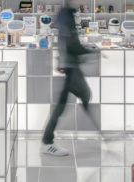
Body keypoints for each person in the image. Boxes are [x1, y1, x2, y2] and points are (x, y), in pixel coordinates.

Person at [40, 0, 99, 156]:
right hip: (71, 66)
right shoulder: (66, 14)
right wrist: (91, 52)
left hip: (70, 65)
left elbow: (63, 40)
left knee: (70, 100)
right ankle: (47, 142)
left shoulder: (67, 13)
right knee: (80, 97)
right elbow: (71, 44)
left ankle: (47, 140)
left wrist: (60, 59)